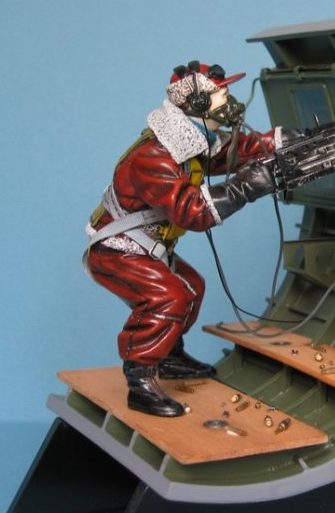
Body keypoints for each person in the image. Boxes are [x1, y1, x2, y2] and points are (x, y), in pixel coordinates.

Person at [84, 60, 281, 417]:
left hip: (146, 248)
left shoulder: (193, 143)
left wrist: (290, 141)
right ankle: (140, 379)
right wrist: (247, 187)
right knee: (168, 297)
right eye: (221, 93)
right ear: (198, 104)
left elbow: (242, 149)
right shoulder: (155, 156)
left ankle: (170, 356)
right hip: (116, 251)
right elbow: (193, 212)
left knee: (192, 287)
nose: (229, 99)